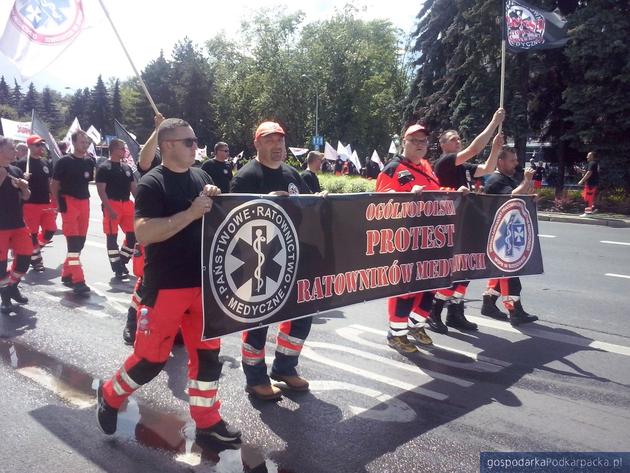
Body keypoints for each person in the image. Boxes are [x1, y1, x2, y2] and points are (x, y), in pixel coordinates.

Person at [96, 118, 241, 445]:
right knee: (150, 360)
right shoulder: (152, 183)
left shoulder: (201, 175)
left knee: (207, 357)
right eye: (188, 141)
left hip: (203, 284)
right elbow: (144, 231)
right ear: (168, 146)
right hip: (166, 287)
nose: (195, 146)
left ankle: (207, 422)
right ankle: (110, 395)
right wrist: (190, 213)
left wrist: (214, 197)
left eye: (195, 141)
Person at [230, 121, 313, 401]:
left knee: (302, 313)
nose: (277, 146)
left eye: (280, 141)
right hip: (259, 259)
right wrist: (264, 201)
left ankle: (285, 367)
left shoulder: (292, 174)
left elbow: (308, 207)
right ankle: (255, 378)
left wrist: (322, 201)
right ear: (257, 144)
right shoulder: (246, 177)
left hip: (293, 256)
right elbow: (233, 221)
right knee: (258, 320)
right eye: (269, 141)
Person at [429, 108, 505, 334]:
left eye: (458, 138)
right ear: (443, 145)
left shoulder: (463, 167)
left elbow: (488, 169)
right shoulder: (445, 162)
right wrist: (493, 123)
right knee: (452, 271)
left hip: (467, 224)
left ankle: (456, 311)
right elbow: (474, 149)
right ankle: (435, 310)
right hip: (450, 224)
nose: (458, 141)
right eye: (453, 139)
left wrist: (495, 150)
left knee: (467, 270)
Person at [375, 124, 441, 353]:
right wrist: (405, 197)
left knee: (430, 284)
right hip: (406, 239)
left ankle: (416, 325)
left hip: (431, 237)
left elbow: (437, 192)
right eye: (415, 140)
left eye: (423, 141)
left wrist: (457, 191)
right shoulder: (393, 168)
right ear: (405, 141)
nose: (420, 145)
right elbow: (381, 199)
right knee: (407, 287)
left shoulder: (426, 166)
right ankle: (396, 333)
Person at [480, 147, 539, 326]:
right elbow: (512, 196)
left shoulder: (508, 179)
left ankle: (488, 303)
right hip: (499, 235)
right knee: (510, 275)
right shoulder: (496, 180)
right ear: (500, 161)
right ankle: (515, 311)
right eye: (512, 160)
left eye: (516, 160)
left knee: (502, 273)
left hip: (507, 232)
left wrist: (531, 196)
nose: (516, 163)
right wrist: (527, 180)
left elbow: (520, 195)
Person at [51, 130, 95, 294]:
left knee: (80, 243)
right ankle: (78, 280)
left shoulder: (90, 161)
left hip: (85, 202)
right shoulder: (64, 162)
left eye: (87, 142)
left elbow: (87, 180)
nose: (85, 145)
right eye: (83, 142)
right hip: (68, 202)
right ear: (74, 143)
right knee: (73, 244)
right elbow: (54, 185)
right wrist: (58, 204)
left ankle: (67, 274)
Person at [95, 138, 138, 280]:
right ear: (113, 149)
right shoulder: (104, 168)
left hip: (127, 204)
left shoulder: (126, 168)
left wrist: (141, 202)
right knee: (112, 237)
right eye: (121, 148)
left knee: (133, 235)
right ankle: (117, 267)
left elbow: (133, 188)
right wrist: (108, 208)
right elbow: (101, 191)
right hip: (111, 204)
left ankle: (122, 261)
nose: (124, 151)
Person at [0, 136, 33, 314]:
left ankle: (12, 286)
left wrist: (24, 187)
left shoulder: (16, 170)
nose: (15, 151)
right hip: (0, 226)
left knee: (26, 257)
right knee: (0, 264)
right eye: (11, 148)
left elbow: (26, 197)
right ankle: (5, 297)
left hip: (17, 222)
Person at [16, 135, 57, 272]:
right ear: (29, 147)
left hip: (46, 203)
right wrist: (23, 178)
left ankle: (33, 249)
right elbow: (15, 184)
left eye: (41, 145)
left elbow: (49, 183)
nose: (41, 148)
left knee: (50, 231)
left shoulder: (45, 162)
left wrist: (54, 199)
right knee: (32, 233)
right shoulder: (22, 163)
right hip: (30, 204)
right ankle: (36, 260)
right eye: (37, 145)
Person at [578, 151, 599, 215]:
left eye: (588, 155)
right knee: (587, 197)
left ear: (592, 156)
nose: (587, 157)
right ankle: (592, 209)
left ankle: (587, 213)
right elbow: (587, 172)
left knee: (588, 198)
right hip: (592, 184)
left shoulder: (592, 163)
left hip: (590, 184)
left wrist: (581, 181)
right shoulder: (593, 163)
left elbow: (589, 173)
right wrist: (580, 170)